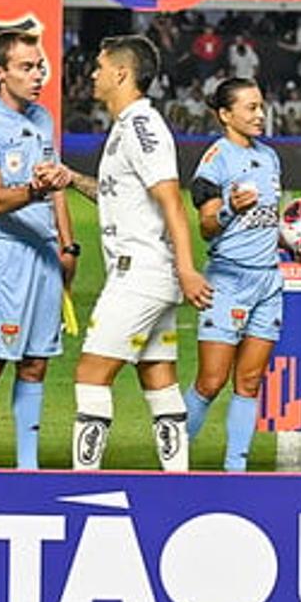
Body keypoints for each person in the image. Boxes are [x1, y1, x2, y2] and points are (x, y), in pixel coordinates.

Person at [59, 35, 213, 471]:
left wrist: (187, 270)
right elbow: (117, 196)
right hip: (149, 275)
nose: (93, 74)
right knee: (158, 376)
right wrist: (71, 178)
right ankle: (176, 477)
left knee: (91, 373)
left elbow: (170, 201)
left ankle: (82, 480)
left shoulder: (143, 127)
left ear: (121, 73)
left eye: (100, 66)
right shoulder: (126, 127)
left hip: (139, 275)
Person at [0, 28, 77, 469]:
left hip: (45, 254)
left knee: (36, 361)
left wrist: (69, 246)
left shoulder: (44, 117)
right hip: (4, 253)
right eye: (26, 67)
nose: (37, 75)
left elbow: (57, 185)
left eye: (39, 66)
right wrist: (33, 188)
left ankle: (27, 466)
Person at [182, 78, 290, 471]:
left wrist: (295, 240)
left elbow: (265, 223)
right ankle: (172, 460)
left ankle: (236, 468)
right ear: (225, 115)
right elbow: (207, 226)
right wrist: (229, 208)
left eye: (261, 106)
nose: (260, 115)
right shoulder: (216, 161)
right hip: (228, 282)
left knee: (249, 382)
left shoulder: (271, 158)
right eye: (250, 108)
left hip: (268, 282)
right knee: (211, 382)